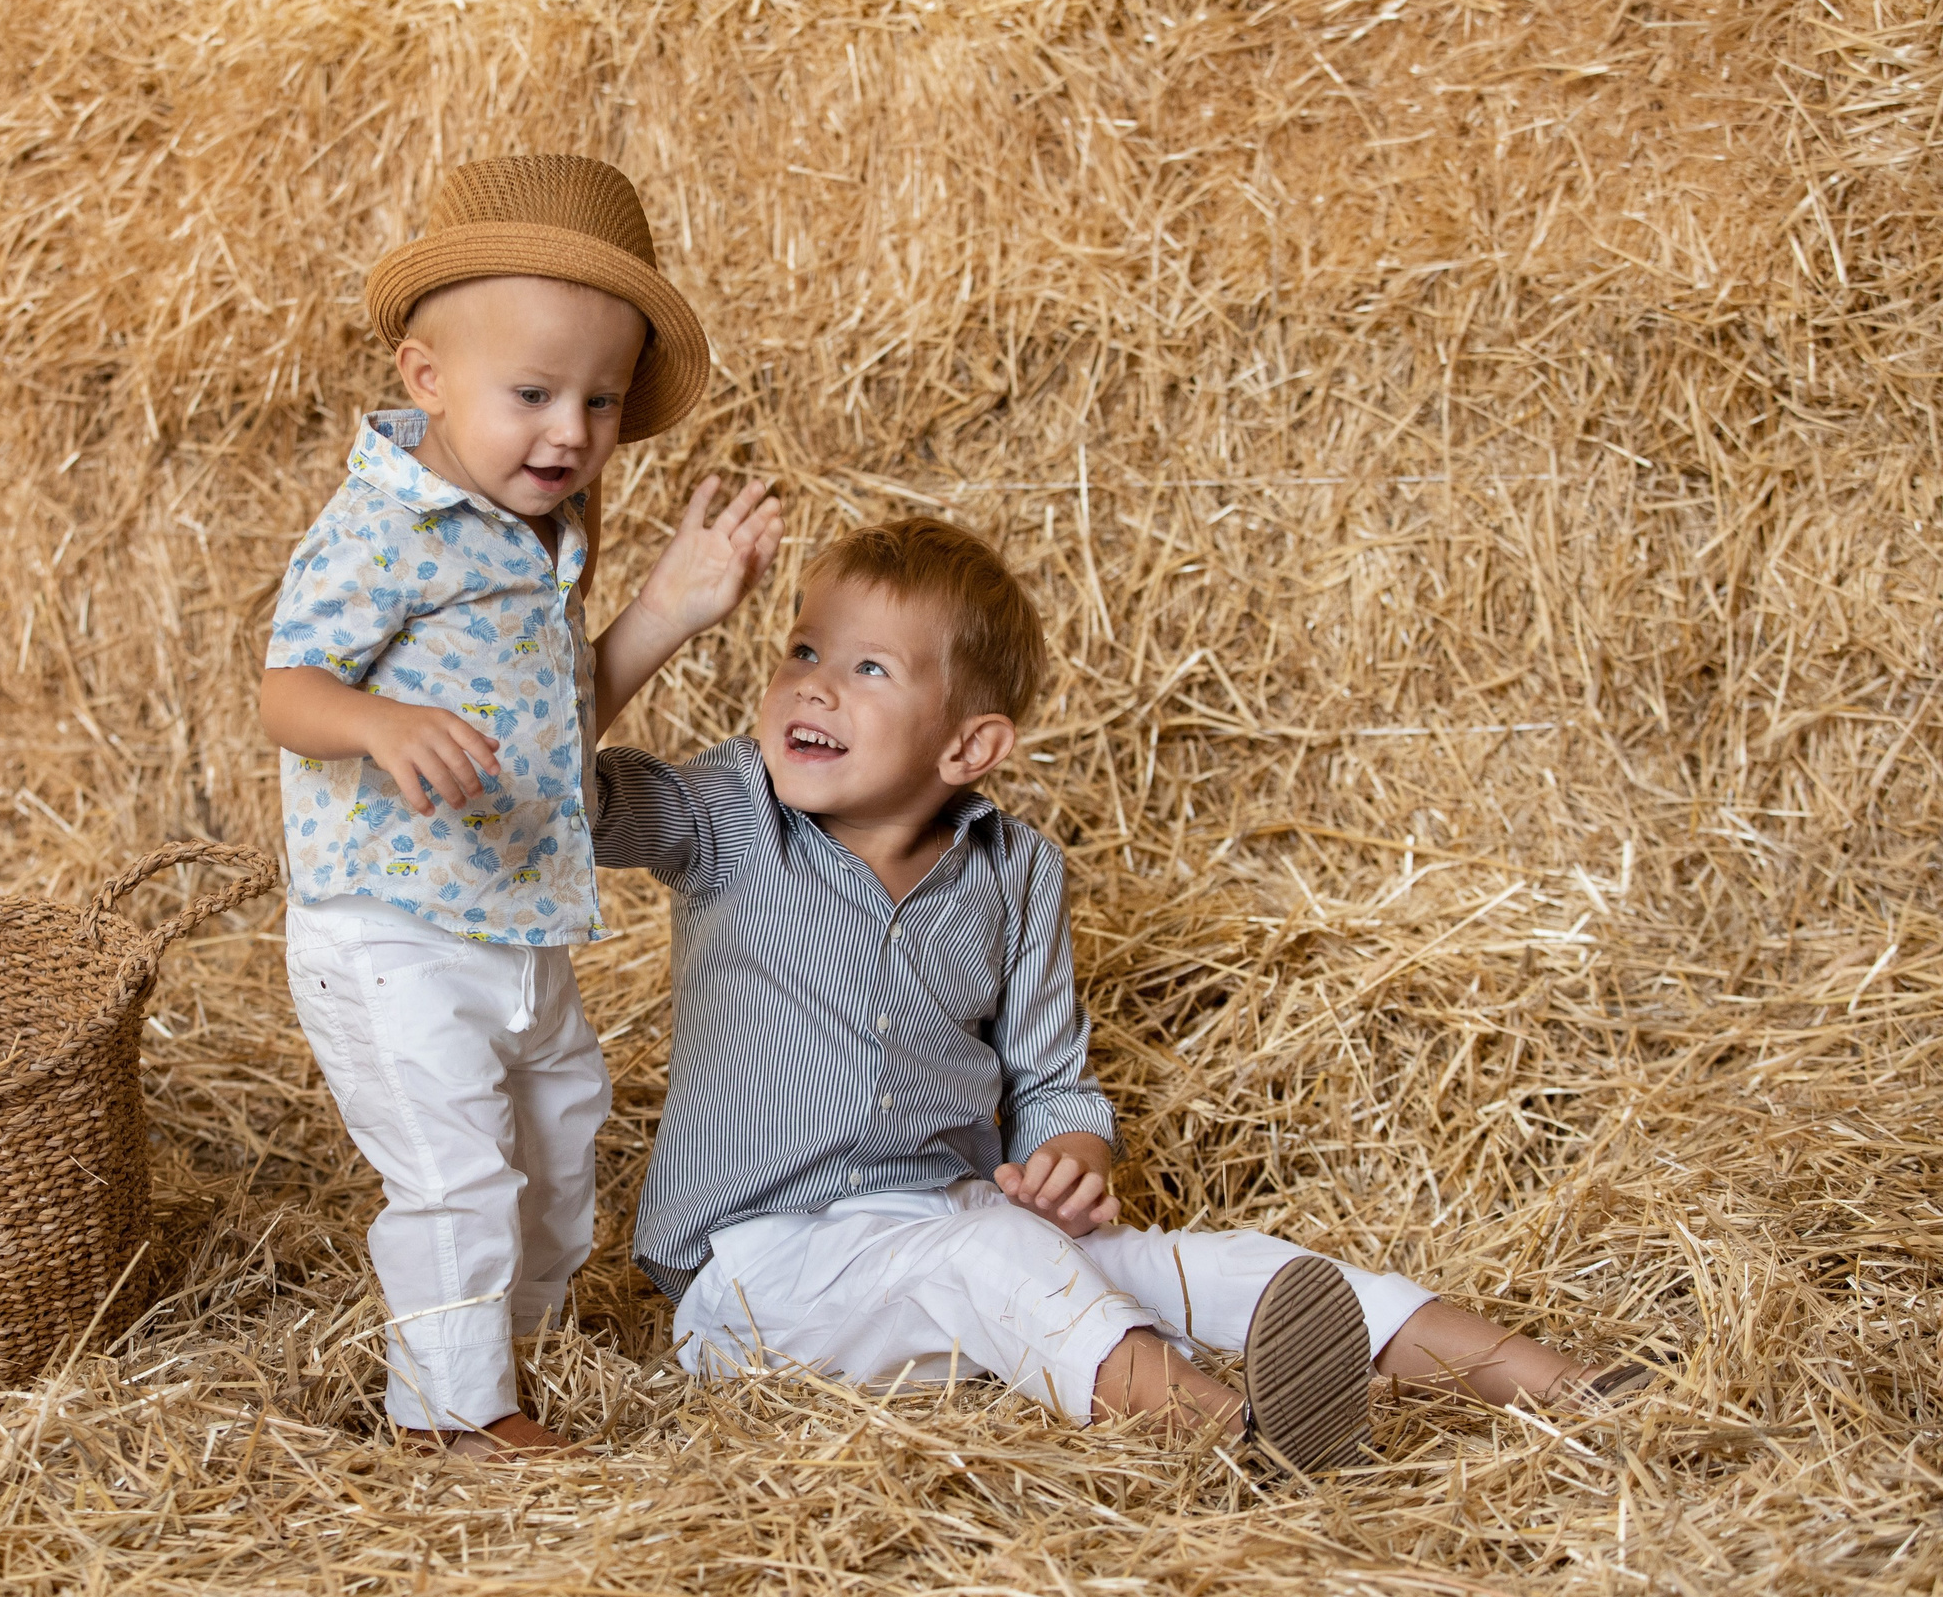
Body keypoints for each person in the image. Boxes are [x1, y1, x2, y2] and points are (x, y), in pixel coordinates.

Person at [591, 517, 1650, 1468]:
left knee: (1227, 1267)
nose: (811, 686)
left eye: (868, 668)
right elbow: (560, 793)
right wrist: (660, 617)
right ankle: (1241, 1441)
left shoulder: (1015, 872)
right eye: (803, 650)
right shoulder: (729, 819)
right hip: (761, 1281)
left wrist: (1071, 1158)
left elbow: (1051, 1083)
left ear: (970, 746)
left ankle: (1580, 1393)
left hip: (956, 1233)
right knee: (995, 1258)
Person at [260, 156, 783, 1459]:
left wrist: (669, 607)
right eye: (534, 393)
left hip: (510, 920)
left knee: (560, 1144)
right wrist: (376, 723)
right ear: (425, 378)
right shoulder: (386, 528)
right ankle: (454, 1413)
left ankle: (517, 1351)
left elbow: (560, 719)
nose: (571, 431)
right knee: (457, 1174)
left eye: (600, 401)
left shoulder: (534, 535)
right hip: (391, 929)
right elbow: (285, 691)